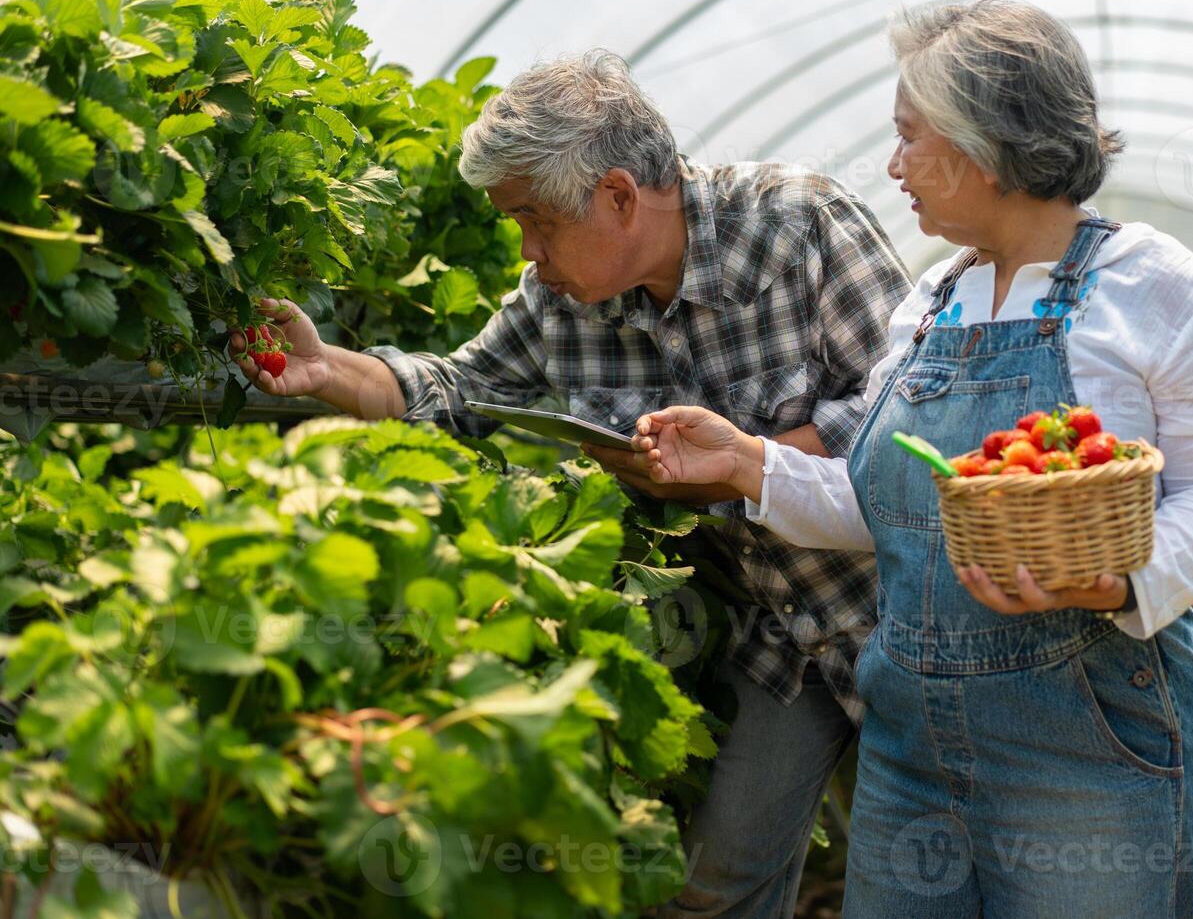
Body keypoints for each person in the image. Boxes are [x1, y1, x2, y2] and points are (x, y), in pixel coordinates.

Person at [626, 0, 1193, 917]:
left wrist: (1119, 579)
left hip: (1084, 743)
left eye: (909, 137)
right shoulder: (932, 299)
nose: (893, 167)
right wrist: (748, 465)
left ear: (984, 143)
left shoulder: (1155, 286)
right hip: (911, 747)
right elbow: (892, 506)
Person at [226, 49, 912, 918]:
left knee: (933, 873)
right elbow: (455, 391)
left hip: (894, 607)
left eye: (536, 219)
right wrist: (326, 370)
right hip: (774, 635)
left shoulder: (797, 225)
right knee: (715, 887)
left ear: (619, 196)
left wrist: (743, 462)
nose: (528, 249)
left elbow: (911, 413)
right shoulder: (557, 302)